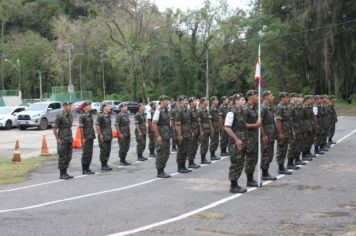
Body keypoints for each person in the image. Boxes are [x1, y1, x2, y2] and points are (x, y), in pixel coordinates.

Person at [224, 94, 247, 193]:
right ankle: (233, 186)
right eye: (242, 100)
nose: (244, 101)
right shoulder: (231, 112)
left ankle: (236, 183)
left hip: (242, 141)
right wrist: (236, 140)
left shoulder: (241, 111)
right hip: (235, 143)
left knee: (240, 163)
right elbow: (227, 127)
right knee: (236, 163)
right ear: (236, 101)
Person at [244, 90, 262, 187]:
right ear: (250, 97)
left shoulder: (255, 108)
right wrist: (255, 125)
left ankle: (251, 179)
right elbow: (243, 124)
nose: (258, 98)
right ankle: (249, 180)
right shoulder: (246, 109)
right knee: (250, 159)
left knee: (254, 159)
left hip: (255, 137)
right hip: (249, 138)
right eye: (256, 96)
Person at [52, 102, 74, 179]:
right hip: (62, 139)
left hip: (69, 139)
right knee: (62, 157)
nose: (70, 107)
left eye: (71, 106)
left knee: (69, 156)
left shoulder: (70, 115)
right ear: (64, 107)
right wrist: (57, 139)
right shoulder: (60, 116)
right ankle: (62, 173)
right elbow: (54, 128)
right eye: (69, 106)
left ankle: (65, 172)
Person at [152, 95, 171, 178]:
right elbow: (154, 124)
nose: (168, 102)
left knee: (166, 153)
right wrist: (158, 136)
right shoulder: (158, 111)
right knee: (161, 154)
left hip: (166, 135)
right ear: (162, 101)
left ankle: (162, 169)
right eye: (166, 101)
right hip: (161, 136)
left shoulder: (166, 111)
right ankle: (160, 171)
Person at [260, 90, 277, 181]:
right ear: (266, 97)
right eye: (271, 95)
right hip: (266, 134)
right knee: (266, 153)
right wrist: (263, 135)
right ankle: (264, 173)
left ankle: (266, 172)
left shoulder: (269, 107)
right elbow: (260, 123)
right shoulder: (263, 107)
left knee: (270, 154)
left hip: (271, 134)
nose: (273, 97)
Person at [275, 92, 293, 175]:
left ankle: (282, 166)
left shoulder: (286, 107)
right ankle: (280, 167)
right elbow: (278, 121)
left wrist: (291, 130)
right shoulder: (279, 107)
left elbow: (289, 120)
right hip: (282, 131)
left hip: (287, 131)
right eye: (287, 97)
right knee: (281, 149)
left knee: (285, 148)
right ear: (282, 98)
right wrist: (280, 133)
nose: (288, 99)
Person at [175, 95, 193, 173]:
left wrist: (191, 131)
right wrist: (179, 135)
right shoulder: (179, 111)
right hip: (182, 134)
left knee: (186, 151)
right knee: (181, 151)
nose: (186, 101)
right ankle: (180, 167)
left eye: (186, 100)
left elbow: (188, 123)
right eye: (185, 100)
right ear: (181, 102)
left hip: (187, 133)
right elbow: (177, 124)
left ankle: (183, 166)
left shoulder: (186, 110)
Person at [287, 93, 305, 170]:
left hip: (299, 128)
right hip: (294, 129)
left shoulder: (296, 106)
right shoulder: (290, 107)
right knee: (293, 146)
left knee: (298, 144)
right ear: (291, 98)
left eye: (298, 97)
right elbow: (290, 120)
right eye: (295, 97)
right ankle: (290, 163)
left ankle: (297, 159)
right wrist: (292, 130)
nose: (297, 98)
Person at [79, 101, 95, 175]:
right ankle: (84, 169)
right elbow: (81, 128)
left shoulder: (90, 115)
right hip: (86, 137)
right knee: (85, 153)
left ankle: (88, 168)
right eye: (89, 106)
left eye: (90, 105)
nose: (90, 107)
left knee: (90, 153)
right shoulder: (82, 116)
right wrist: (82, 138)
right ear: (85, 107)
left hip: (91, 136)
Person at [95, 104, 113, 171]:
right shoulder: (100, 116)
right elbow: (97, 126)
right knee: (103, 151)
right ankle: (103, 165)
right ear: (104, 108)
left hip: (108, 136)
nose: (109, 108)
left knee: (108, 151)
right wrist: (100, 135)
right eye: (108, 106)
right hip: (103, 136)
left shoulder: (109, 115)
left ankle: (106, 164)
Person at [187, 97, 201, 169]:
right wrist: (191, 131)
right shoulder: (189, 111)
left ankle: (192, 161)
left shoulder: (196, 111)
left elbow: (198, 122)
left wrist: (200, 131)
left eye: (196, 101)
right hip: (192, 131)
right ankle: (190, 162)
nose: (196, 102)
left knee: (195, 147)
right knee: (191, 147)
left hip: (197, 131)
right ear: (191, 103)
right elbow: (188, 123)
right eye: (194, 101)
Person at [198, 97, 212, 164]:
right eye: (206, 101)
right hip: (203, 130)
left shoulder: (206, 110)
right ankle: (202, 159)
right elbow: (199, 122)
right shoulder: (200, 110)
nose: (207, 102)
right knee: (204, 145)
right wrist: (201, 131)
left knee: (206, 145)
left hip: (207, 130)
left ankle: (204, 158)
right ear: (203, 102)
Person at [301, 95, 315, 161]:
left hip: (309, 126)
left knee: (309, 140)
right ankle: (304, 155)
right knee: (305, 141)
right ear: (306, 100)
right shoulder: (303, 108)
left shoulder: (309, 107)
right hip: (305, 127)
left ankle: (308, 153)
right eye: (310, 99)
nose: (312, 100)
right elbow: (302, 118)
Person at [209, 96, 221, 160]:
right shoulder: (211, 109)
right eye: (216, 100)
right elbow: (210, 120)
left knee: (216, 141)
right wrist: (211, 128)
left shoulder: (216, 109)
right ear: (213, 101)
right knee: (213, 141)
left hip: (217, 127)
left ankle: (213, 154)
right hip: (213, 127)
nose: (217, 101)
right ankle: (212, 155)